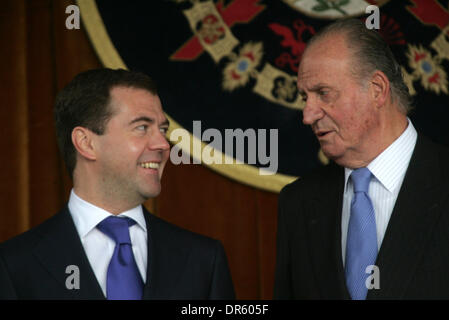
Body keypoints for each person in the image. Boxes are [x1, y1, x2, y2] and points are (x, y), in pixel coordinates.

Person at [0, 68, 235, 300]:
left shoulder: (203, 260)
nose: (163, 144)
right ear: (86, 143)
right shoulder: (14, 265)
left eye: (162, 130)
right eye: (142, 127)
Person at [274, 19, 449, 299]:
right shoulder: (298, 202)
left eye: (323, 93)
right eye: (305, 97)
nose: (307, 115)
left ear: (377, 89)